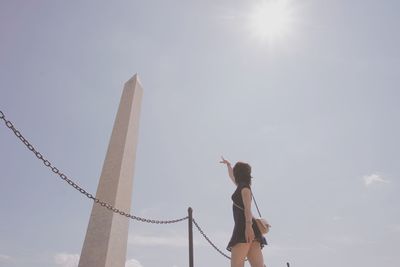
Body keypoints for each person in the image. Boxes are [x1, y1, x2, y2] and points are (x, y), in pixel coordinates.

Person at [220, 156, 267, 267]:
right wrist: (228, 165)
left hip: (244, 228)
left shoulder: (244, 188)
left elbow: (247, 208)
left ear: (239, 173)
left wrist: (248, 227)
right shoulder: (242, 186)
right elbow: (232, 177)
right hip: (251, 229)